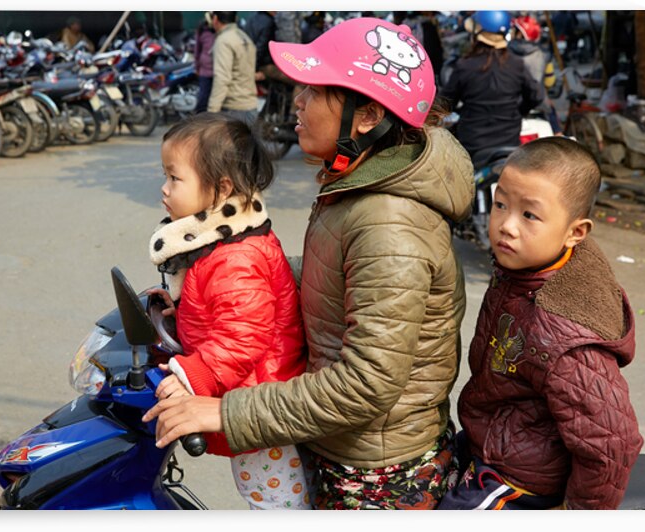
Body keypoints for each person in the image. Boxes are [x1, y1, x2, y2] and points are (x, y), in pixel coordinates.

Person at [143, 17, 475, 510]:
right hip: (337, 443)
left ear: (365, 116)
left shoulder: (389, 221)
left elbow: (365, 384)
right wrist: (214, 288)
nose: (297, 101)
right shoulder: (359, 188)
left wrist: (224, 411)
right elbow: (332, 278)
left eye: (316, 90)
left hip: (375, 473)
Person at [437, 137, 644, 510]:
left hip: (520, 475)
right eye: (500, 205)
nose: (506, 226)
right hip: (493, 438)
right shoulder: (527, 270)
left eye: (529, 215)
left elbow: (613, 441)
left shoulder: (562, 330)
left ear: (575, 232)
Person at [146, 113, 310, 510]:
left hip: (259, 406)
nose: (165, 190)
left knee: (275, 504)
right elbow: (224, 310)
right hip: (250, 392)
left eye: (175, 178)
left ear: (221, 188)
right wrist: (181, 310)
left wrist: (193, 376)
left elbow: (242, 337)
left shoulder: (236, 257)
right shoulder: (225, 243)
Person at [440, 10, 545, 166]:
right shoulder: (517, 64)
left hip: (473, 145)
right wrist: (519, 111)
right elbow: (536, 96)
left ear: (477, 36)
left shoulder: (465, 66)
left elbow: (445, 103)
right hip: (510, 141)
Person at [508, 14, 562, 133]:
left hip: (510, 106)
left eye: (515, 30)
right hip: (540, 104)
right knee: (558, 137)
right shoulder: (544, 54)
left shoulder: (504, 52)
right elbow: (549, 81)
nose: (512, 32)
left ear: (520, 34)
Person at [206, 12, 259, 125]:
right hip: (251, 105)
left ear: (215, 19)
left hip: (234, 109)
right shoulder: (244, 36)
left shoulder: (223, 41)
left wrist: (212, 112)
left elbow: (222, 78)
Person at [193, 14, 215, 114]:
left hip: (218, 72)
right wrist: (197, 67)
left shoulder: (221, 30)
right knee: (203, 98)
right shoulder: (202, 28)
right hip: (205, 71)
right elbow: (197, 50)